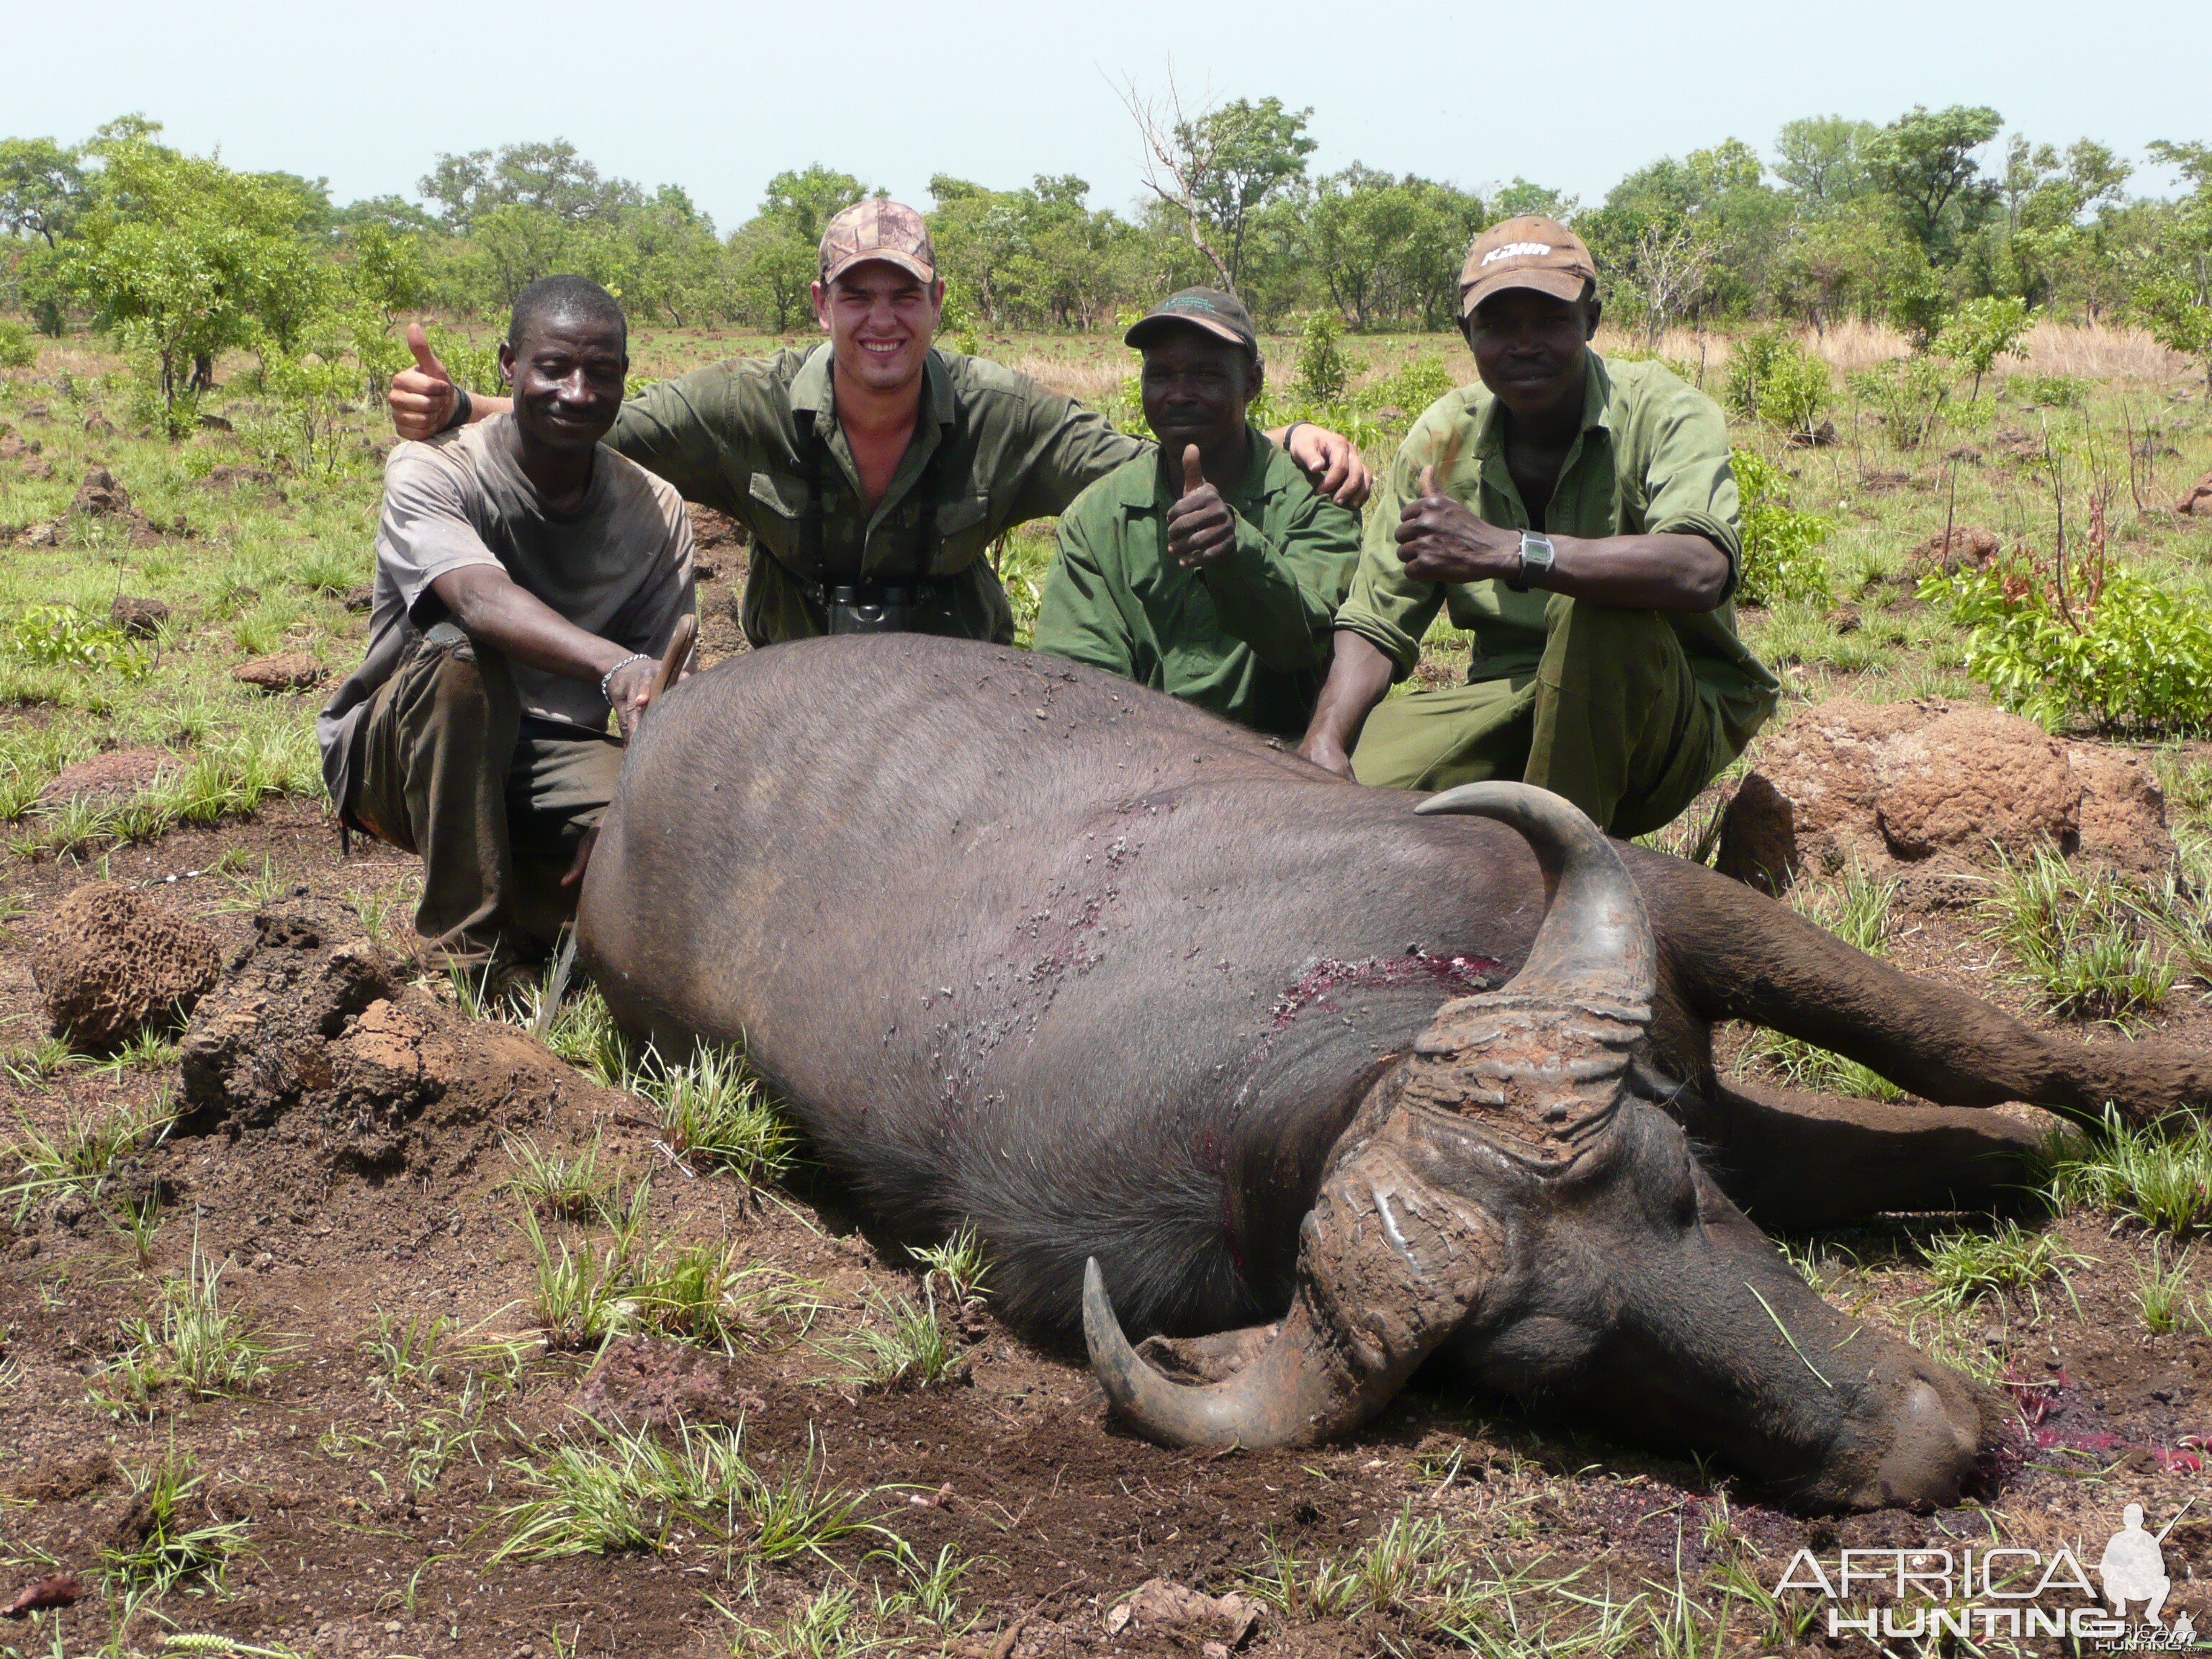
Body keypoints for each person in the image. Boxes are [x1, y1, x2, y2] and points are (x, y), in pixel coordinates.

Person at [387, 202, 1371, 648]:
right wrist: (464, 409)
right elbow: (600, 421)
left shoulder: (1003, 412)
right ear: (822, 306)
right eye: (858, 296)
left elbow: (1144, 463)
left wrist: (1283, 439)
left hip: (957, 681)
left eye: (903, 295)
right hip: (794, 677)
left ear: (937, 302)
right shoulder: (746, 402)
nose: (882, 320)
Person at [1298, 216, 1779, 838]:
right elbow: (1375, 619)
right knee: (1328, 796)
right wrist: (1324, 740)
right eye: (1498, 326)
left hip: (1662, 707)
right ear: (1466, 332)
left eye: (1550, 320)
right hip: (1508, 698)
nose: (1524, 346)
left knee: (1598, 606)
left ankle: (1556, 872)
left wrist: (1512, 551)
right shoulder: (1444, 437)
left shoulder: (1665, 410)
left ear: (1592, 321)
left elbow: (1702, 568)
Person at [320, 276, 694, 974]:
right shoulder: (432, 467)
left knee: (688, 818)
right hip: (404, 749)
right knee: (463, 659)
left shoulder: (658, 508)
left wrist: (633, 804)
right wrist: (613, 665)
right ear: (508, 366)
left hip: (554, 753)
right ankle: (463, 958)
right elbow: (477, 600)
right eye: (553, 368)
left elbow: (664, 693)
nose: (577, 393)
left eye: (601, 374)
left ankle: (538, 907)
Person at [1035, 289, 1359, 739]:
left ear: (1252, 383)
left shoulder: (1316, 493)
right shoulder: (1097, 518)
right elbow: (1076, 682)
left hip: (1288, 761)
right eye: (1160, 375)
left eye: (1207, 375)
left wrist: (1236, 552)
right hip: (1136, 757)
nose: (1179, 395)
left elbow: (1304, 644)